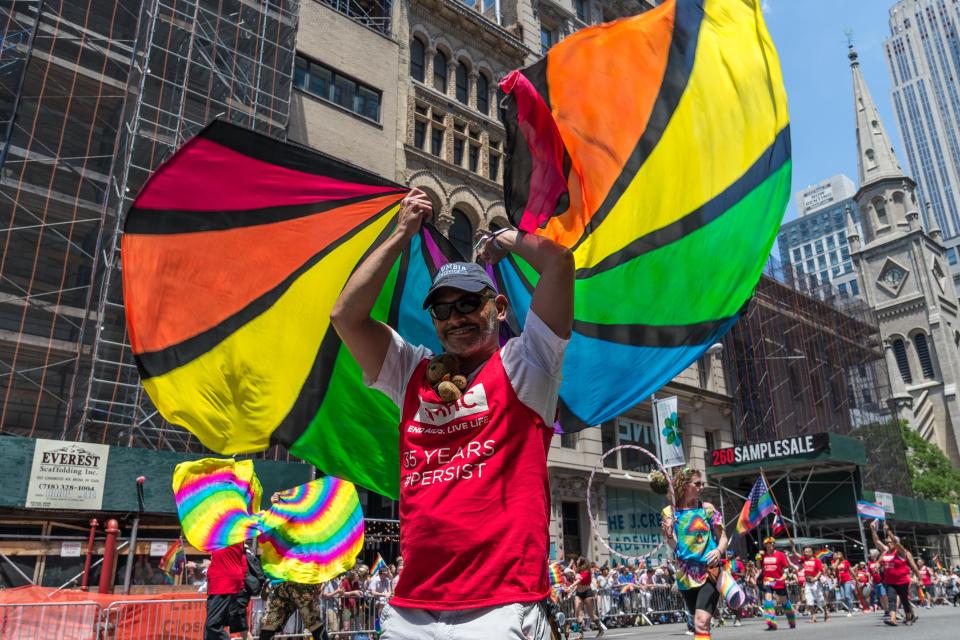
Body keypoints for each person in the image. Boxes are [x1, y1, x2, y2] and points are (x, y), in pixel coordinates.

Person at [330, 188, 575, 639]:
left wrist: (502, 237)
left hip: (501, 607)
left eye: (468, 303)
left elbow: (559, 265)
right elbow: (346, 316)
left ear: (498, 308)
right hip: (411, 609)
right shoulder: (411, 373)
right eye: (443, 308)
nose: (455, 316)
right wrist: (402, 231)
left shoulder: (527, 364)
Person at [660, 467, 729, 640]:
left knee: (701, 622)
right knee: (699, 628)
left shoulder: (707, 509)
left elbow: (723, 538)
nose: (701, 487)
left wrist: (718, 550)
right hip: (685, 576)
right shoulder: (669, 512)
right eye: (697, 484)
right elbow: (674, 545)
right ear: (684, 485)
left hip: (709, 571)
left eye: (702, 484)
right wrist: (668, 535)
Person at [870, 520, 920, 626]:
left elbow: (897, 543)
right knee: (891, 600)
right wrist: (873, 530)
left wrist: (888, 532)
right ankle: (893, 619)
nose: (888, 543)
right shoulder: (885, 551)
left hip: (902, 581)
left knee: (904, 600)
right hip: (890, 581)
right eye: (887, 542)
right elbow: (876, 541)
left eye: (890, 542)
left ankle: (909, 617)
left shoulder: (901, 552)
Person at [203, 542, 247, 640]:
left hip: (223, 584)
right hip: (218, 584)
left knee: (212, 625)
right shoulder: (226, 539)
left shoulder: (228, 537)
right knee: (209, 628)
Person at [758, 537, 800, 630]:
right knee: (768, 600)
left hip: (778, 581)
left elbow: (785, 567)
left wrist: (785, 575)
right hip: (768, 580)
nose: (771, 545)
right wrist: (758, 559)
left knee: (784, 602)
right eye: (769, 544)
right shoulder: (763, 556)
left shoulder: (780, 555)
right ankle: (771, 623)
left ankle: (791, 621)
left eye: (773, 543)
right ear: (765, 545)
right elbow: (759, 567)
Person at [568, 557, 605, 638]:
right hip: (579, 594)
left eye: (578, 560)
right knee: (578, 613)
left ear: (582, 562)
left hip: (587, 593)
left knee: (591, 615)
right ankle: (581, 634)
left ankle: (600, 629)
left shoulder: (587, 572)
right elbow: (578, 584)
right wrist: (572, 591)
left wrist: (571, 586)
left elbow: (579, 580)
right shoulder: (578, 571)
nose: (576, 561)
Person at [800, 547, 828, 623]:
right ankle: (813, 617)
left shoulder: (817, 560)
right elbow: (796, 554)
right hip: (808, 583)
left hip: (816, 583)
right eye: (805, 551)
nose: (806, 553)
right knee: (809, 600)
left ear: (812, 553)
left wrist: (815, 578)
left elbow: (820, 571)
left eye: (808, 551)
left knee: (821, 599)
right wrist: (793, 546)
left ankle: (826, 614)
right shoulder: (804, 559)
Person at [831, 551, 855, 615]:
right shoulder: (833, 562)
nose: (837, 556)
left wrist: (855, 576)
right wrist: (837, 560)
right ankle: (849, 607)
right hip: (840, 582)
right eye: (836, 555)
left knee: (847, 595)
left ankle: (850, 610)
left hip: (847, 580)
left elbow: (850, 569)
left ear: (842, 555)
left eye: (839, 555)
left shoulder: (845, 562)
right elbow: (833, 567)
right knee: (843, 597)